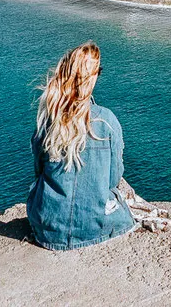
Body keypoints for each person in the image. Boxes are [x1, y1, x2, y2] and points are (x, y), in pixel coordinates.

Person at [27, 41, 136, 250]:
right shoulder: (106, 121)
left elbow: (38, 171)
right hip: (95, 227)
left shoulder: (48, 121)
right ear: (92, 77)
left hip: (48, 228)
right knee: (121, 204)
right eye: (98, 71)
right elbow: (114, 178)